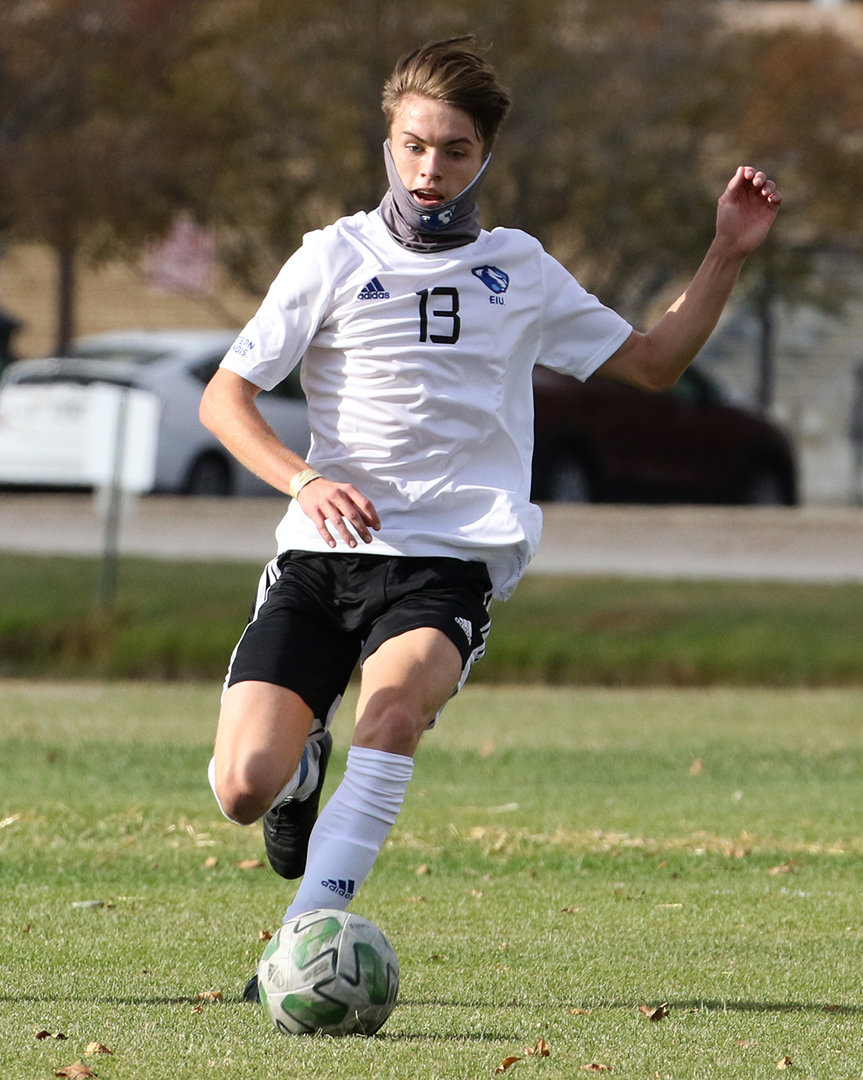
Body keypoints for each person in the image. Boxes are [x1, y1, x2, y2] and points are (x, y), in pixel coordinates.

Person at [199, 36, 780, 999]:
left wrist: (725, 251)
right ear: (388, 143)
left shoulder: (522, 269)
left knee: (393, 710)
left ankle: (300, 941)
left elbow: (653, 362)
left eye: (455, 151)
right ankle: (298, 773)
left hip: (449, 560)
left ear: (486, 159)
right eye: (415, 146)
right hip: (323, 553)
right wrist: (304, 481)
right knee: (240, 788)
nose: (432, 170)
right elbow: (226, 398)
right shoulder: (331, 256)